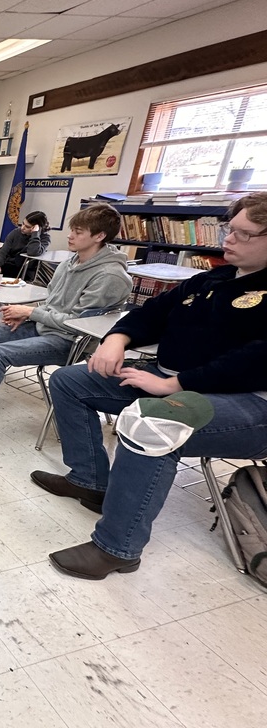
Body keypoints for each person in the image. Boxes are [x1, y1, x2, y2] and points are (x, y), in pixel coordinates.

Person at [35, 192, 267, 580]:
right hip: (168, 381)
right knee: (70, 380)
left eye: (244, 234)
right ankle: (89, 481)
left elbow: (254, 362)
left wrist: (174, 384)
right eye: (230, 229)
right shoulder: (217, 276)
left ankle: (117, 547)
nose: (228, 239)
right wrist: (116, 339)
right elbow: (151, 312)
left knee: (152, 423)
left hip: (245, 403)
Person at [0, 204, 132, 429]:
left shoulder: (110, 276)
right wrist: (29, 316)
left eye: (78, 232)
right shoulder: (69, 263)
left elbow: (79, 325)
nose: (70, 236)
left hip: (71, 342)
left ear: (100, 236)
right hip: (44, 328)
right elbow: (51, 303)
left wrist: (31, 312)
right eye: (72, 230)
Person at [0, 210, 51, 279]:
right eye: (23, 223)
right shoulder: (16, 232)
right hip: (8, 266)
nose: (22, 228)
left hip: (25, 270)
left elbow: (33, 252)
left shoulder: (45, 238)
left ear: (37, 228)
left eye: (27, 226)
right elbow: (3, 251)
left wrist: (35, 234)